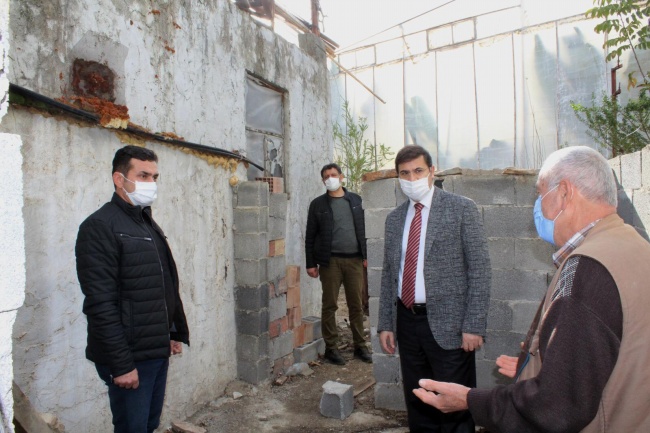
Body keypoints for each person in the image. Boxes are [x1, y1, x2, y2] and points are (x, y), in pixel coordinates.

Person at [413, 145, 650, 432]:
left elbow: (557, 407)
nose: (537, 206)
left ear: (564, 192)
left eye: (540, 194)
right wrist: (542, 367)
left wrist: (469, 400)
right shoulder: (634, 245)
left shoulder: (588, 268)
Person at [75, 145, 190, 433]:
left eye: (154, 177)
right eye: (143, 175)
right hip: (129, 357)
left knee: (149, 424)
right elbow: (100, 304)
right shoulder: (100, 226)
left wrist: (171, 332)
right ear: (119, 179)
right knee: (132, 427)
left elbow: (163, 283)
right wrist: (121, 364)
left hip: (155, 350)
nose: (151, 183)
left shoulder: (146, 223)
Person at [378, 145, 491, 432]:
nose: (411, 179)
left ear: (432, 171)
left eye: (418, 171)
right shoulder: (394, 219)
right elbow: (390, 274)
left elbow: (479, 269)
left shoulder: (461, 208)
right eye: (404, 173)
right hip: (407, 323)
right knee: (418, 400)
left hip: (451, 325)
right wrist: (386, 324)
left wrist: (474, 325)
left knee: (454, 406)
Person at [305, 163, 372, 365]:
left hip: (354, 261)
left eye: (333, 174)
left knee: (356, 305)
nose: (330, 178)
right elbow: (310, 236)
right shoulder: (318, 204)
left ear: (341, 177)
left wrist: (367, 255)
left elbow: (364, 229)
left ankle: (360, 346)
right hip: (330, 262)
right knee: (330, 305)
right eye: (326, 176)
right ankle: (331, 348)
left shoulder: (356, 201)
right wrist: (311, 263)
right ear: (323, 180)